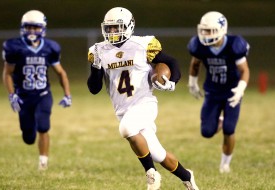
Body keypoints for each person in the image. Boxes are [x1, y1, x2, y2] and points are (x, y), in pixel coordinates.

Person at [87, 7, 199, 190]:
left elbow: (171, 62)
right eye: (110, 28)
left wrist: (172, 82)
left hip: (145, 103)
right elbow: (94, 89)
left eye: (117, 27)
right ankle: (188, 178)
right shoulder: (98, 51)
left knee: (126, 129)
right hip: (123, 110)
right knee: (158, 154)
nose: (113, 32)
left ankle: (151, 174)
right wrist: (96, 67)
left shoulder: (143, 44)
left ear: (129, 26)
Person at [2, 10, 72, 170]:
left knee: (43, 126)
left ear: (43, 28)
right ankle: (29, 128)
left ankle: (43, 163)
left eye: (36, 27)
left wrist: (67, 94)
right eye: (29, 27)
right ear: (23, 28)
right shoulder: (14, 47)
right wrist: (12, 94)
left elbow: (61, 72)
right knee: (28, 137)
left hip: (43, 94)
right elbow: (7, 73)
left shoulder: (50, 47)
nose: (32, 31)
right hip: (23, 96)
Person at [187, 11, 250, 173]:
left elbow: (244, 70)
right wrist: (192, 82)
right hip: (213, 92)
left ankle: (225, 164)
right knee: (207, 132)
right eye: (204, 30)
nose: (206, 35)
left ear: (222, 29)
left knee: (229, 129)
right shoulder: (199, 45)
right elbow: (195, 63)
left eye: (210, 31)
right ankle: (219, 120)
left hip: (232, 92)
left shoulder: (234, 45)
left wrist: (241, 88)